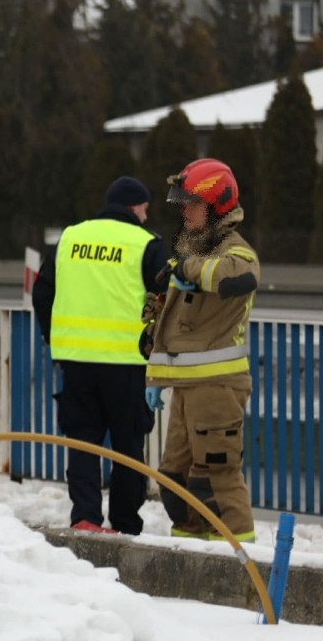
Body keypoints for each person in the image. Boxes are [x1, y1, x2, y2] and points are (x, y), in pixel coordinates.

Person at [32, 176, 169, 535]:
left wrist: (55, 337)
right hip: (127, 365)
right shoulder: (147, 243)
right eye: (145, 208)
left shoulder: (71, 238)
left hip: (77, 362)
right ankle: (125, 524)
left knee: (82, 442)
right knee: (127, 447)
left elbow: (43, 293)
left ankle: (86, 518)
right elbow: (165, 302)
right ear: (136, 207)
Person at [146, 158, 260, 542]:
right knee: (176, 483)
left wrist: (189, 269)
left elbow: (234, 277)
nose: (184, 211)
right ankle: (190, 565)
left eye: (192, 203)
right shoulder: (192, 249)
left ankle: (242, 573)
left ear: (217, 205)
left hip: (217, 387)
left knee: (214, 484)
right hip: (186, 386)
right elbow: (173, 325)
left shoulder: (236, 251)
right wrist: (155, 376)